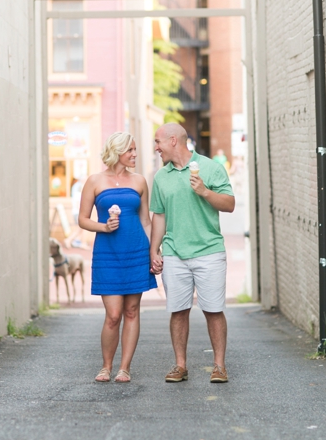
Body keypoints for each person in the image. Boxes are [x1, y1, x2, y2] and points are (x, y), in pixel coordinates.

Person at [149, 123, 236, 384]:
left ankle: (219, 366)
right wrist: (154, 249)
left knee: (213, 309)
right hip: (175, 253)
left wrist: (205, 192)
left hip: (209, 251)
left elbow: (230, 204)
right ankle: (180, 365)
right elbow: (159, 216)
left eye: (158, 142)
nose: (156, 148)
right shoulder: (161, 177)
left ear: (173, 140)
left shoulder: (210, 168)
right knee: (178, 310)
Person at [77, 132, 157, 383]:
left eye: (135, 149)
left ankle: (124, 367)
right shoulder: (95, 181)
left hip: (136, 252)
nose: (135, 154)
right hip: (108, 254)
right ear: (117, 151)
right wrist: (103, 227)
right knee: (113, 314)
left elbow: (146, 220)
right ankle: (106, 366)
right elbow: (82, 219)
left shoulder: (140, 181)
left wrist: (154, 251)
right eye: (131, 150)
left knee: (132, 310)